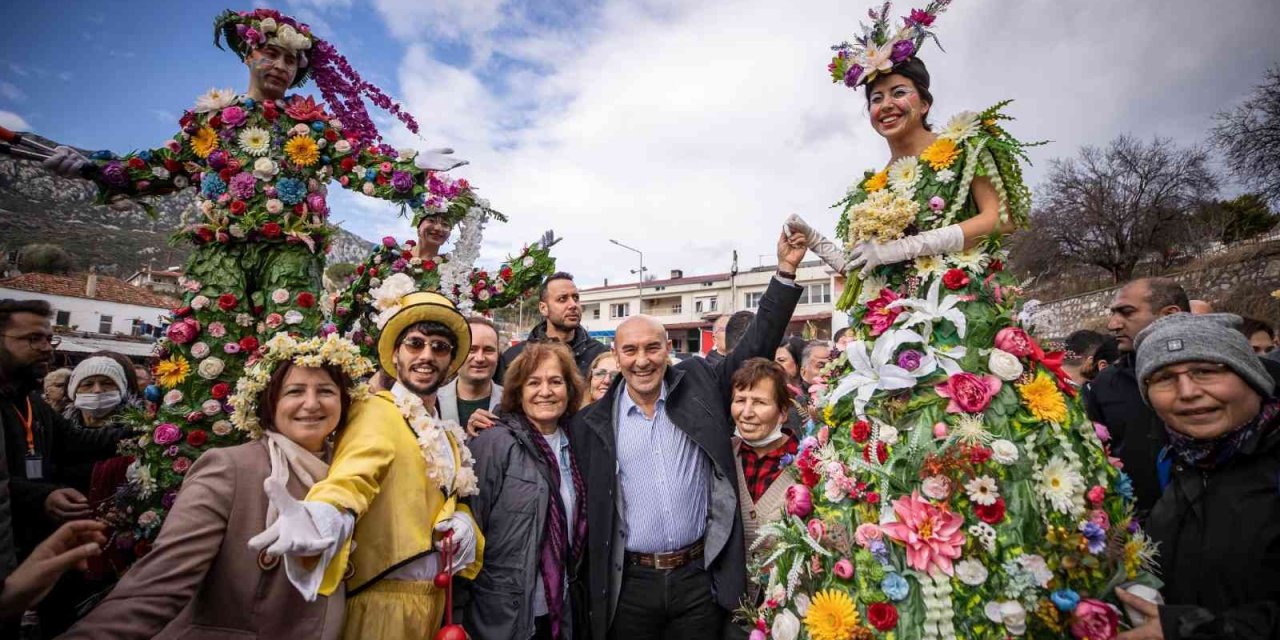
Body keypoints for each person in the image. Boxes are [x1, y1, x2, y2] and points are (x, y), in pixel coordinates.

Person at [38, 7, 475, 571]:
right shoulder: (212, 124)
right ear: (249, 54)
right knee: (202, 368)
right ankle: (175, 501)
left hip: (290, 266)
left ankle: (309, 496)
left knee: (295, 368)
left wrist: (413, 165)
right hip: (220, 260)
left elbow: (361, 162)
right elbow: (157, 165)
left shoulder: (310, 128)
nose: (280, 65)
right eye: (270, 53)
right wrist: (94, 169)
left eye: (291, 59)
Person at [766, 8, 1152, 635]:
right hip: (882, 337)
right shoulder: (870, 187)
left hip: (958, 324)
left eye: (898, 93)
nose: (886, 105)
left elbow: (998, 218)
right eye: (875, 98)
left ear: (923, 100)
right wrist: (817, 241)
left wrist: (912, 246)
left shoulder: (967, 149)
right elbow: (864, 271)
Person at [571, 229, 805, 640]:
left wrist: (785, 271)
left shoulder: (698, 383)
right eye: (630, 351)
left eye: (652, 348)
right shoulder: (591, 423)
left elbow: (756, 345)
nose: (642, 361)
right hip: (630, 585)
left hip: (698, 578)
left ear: (667, 350)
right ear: (617, 355)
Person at [62, 334, 372, 639]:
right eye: (294, 391)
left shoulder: (353, 473)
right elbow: (161, 582)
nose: (311, 403)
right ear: (269, 402)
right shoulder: (230, 468)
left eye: (326, 391)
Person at [250, 291, 483, 640]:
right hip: (380, 607)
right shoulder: (375, 410)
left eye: (439, 347)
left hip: (434, 604)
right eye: (415, 344)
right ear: (394, 355)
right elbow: (352, 478)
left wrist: (464, 520)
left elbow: (446, 497)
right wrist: (322, 516)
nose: (426, 356)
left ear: (450, 362)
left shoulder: (447, 432)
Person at [1116, 313, 1280, 640]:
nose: (1187, 391)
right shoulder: (1177, 461)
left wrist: (1195, 629)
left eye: (1205, 371)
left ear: (1250, 376)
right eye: (1163, 378)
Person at [463, 342, 588, 640]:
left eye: (556, 382)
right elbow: (469, 528)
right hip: (503, 615)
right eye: (534, 382)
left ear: (569, 390)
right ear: (518, 392)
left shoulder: (580, 443)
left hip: (563, 607)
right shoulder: (494, 442)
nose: (545, 391)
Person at [0, 301, 118, 553]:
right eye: (34, 339)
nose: (46, 349)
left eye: (49, 339)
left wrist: (154, 431)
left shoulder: (32, 402)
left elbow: (80, 441)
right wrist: (41, 496)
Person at [1084, 277, 1189, 517]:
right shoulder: (1105, 384)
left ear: (1170, 314)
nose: (1112, 325)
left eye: (1126, 312)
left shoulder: (1230, 375)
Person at [728, 358, 798, 617]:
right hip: (731, 611)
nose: (746, 412)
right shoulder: (724, 456)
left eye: (759, 402)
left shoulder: (807, 466)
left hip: (788, 612)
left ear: (782, 412)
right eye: (740, 400)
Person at [497, 273, 608, 384]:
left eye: (575, 298)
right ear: (543, 308)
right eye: (562, 299)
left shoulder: (599, 355)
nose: (573, 305)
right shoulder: (515, 357)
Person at [440, 317, 504, 435]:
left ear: (498, 355)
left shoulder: (514, 402)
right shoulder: (432, 403)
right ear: (455, 354)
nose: (480, 358)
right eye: (471, 350)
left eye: (488, 350)